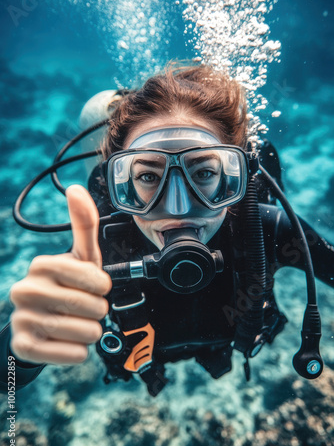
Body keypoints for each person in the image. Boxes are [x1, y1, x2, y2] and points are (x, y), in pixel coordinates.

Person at [0, 64, 333, 396]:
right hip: (142, 363)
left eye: (203, 173)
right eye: (148, 176)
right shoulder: (97, 256)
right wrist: (19, 351)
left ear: (233, 178)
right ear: (122, 184)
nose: (178, 207)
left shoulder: (267, 228)